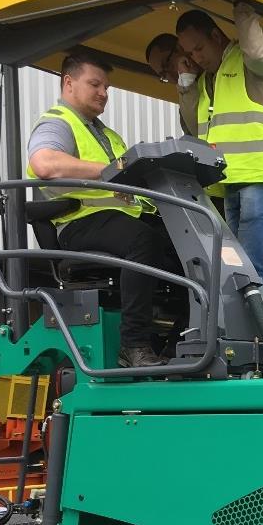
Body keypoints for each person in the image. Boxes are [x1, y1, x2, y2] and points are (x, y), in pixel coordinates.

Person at [175, 4, 263, 341]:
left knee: (255, 268)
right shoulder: (206, 81)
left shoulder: (254, 62)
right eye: (189, 52)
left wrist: (243, 12)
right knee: (240, 270)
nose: (197, 57)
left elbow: (258, 51)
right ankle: (252, 346)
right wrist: (186, 80)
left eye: (200, 47)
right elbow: (192, 125)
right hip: (233, 186)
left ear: (217, 36)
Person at [26, 50, 165, 368]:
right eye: (95, 84)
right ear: (69, 83)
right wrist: (108, 170)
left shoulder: (107, 134)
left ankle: (180, 341)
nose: (103, 93)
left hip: (119, 220)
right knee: (142, 241)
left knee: (188, 248)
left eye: (107, 88)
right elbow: (44, 163)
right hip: (81, 222)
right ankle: (134, 346)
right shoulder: (57, 124)